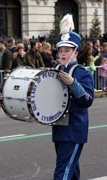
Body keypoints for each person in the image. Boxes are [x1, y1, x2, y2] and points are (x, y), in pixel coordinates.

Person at [52, 31, 94, 180]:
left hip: (74, 130)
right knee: (71, 169)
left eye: (67, 50)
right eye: (61, 50)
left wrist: (73, 84)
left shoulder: (82, 73)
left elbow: (88, 100)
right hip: (59, 128)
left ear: (75, 52)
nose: (63, 54)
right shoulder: (56, 71)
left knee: (63, 171)